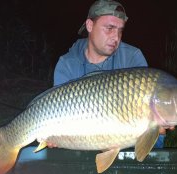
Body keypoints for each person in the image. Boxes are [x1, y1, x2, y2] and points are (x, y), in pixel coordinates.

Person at [53, 0, 165, 148]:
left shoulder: (132, 57)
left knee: (157, 133)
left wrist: (156, 125)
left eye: (120, 30)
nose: (116, 37)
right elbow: (56, 114)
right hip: (81, 137)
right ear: (90, 25)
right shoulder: (67, 64)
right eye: (110, 28)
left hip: (126, 136)